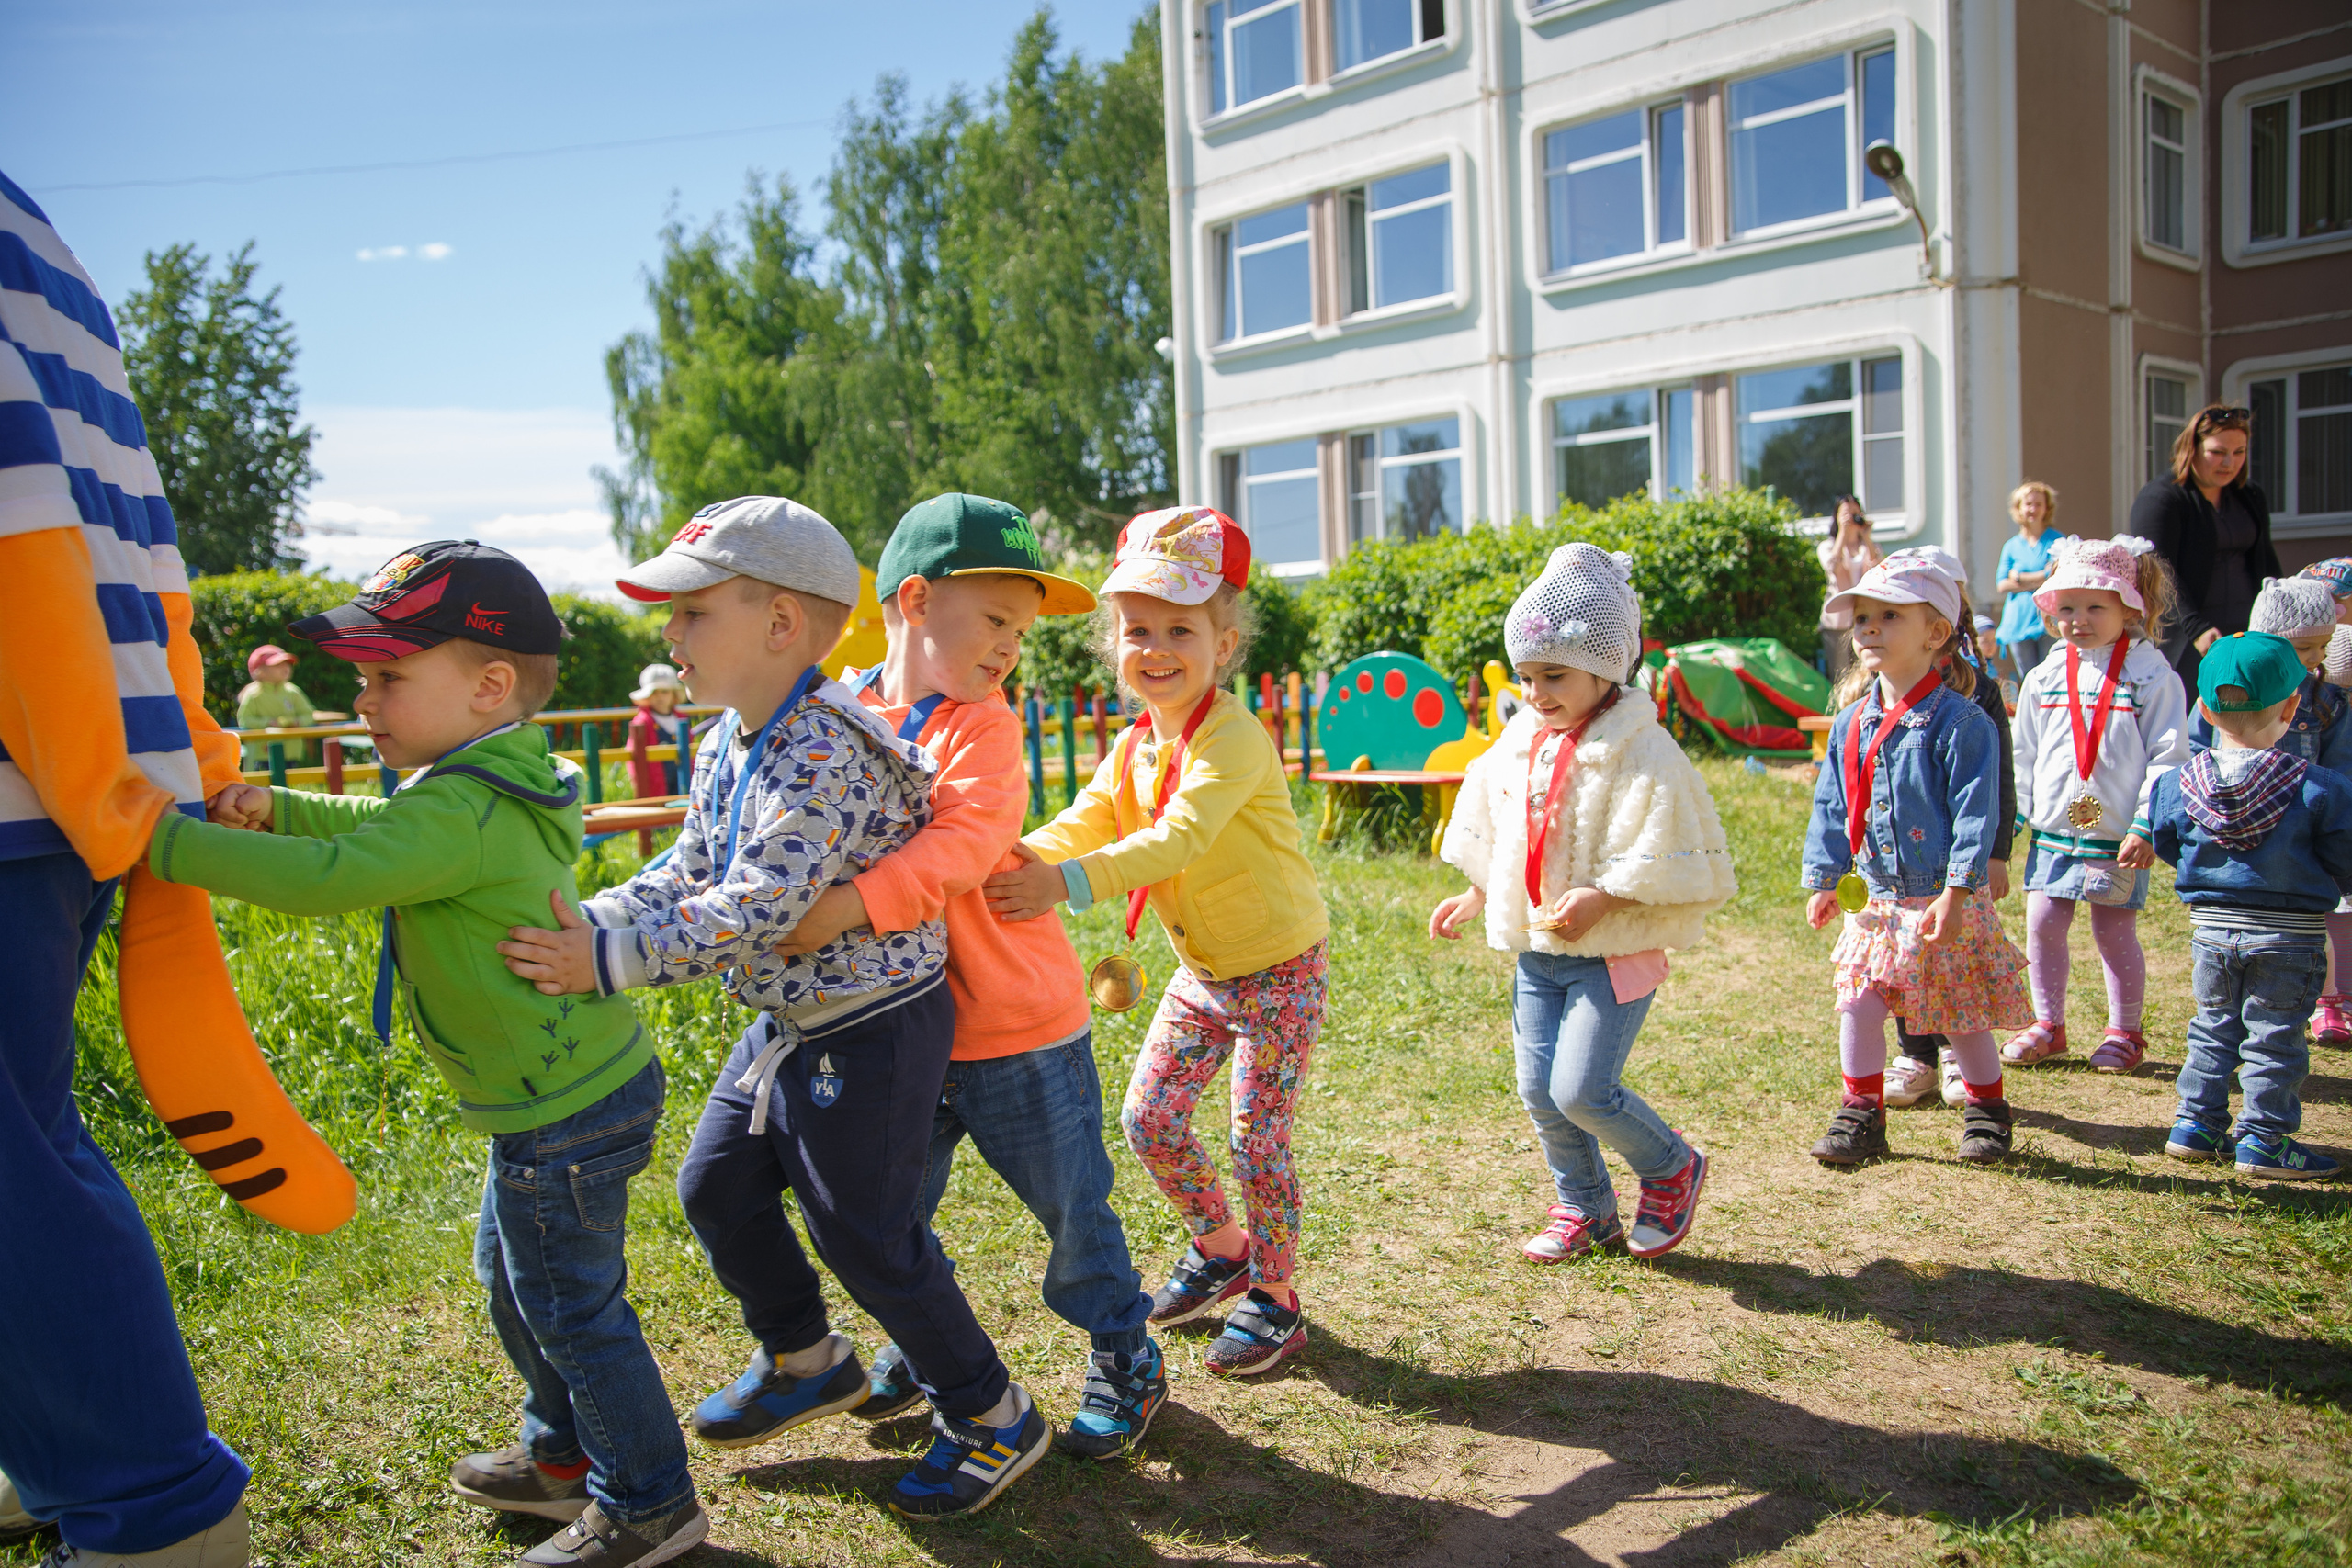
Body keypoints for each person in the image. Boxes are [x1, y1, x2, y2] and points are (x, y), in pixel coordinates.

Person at [496, 496, 1049, 1522]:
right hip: (793, 1024)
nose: (670, 634)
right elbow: (691, 867)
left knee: (868, 1235)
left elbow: (756, 907)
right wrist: (589, 916)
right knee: (714, 1191)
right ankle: (807, 1359)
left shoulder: (824, 750)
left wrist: (605, 960)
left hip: (872, 1025)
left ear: (781, 624)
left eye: (692, 612)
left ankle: (990, 1411)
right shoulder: (731, 739)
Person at [153, 542, 702, 1568]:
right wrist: (284, 804)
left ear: (490, 683)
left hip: (562, 1109)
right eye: (363, 676)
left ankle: (649, 1502)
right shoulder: (475, 781)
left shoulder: (468, 802)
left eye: (387, 676)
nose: (363, 698)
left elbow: (338, 874)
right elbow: (382, 829)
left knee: (572, 1312)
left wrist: (163, 843)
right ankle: (560, 1460)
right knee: (517, 1283)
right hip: (557, 1097)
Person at [765, 492, 1168, 1459]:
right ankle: (922, 1347)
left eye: (1021, 632)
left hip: (1015, 1027)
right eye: (994, 620)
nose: (1009, 649)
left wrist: (841, 908)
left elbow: (955, 851)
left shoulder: (981, 728)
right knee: (891, 1213)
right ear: (912, 600)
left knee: (1070, 1210)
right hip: (894, 1029)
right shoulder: (833, 711)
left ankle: (1124, 1351)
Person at [0, 166, 256, 1568]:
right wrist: (180, 750)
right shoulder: (42, 237)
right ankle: (62, 1441)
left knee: (13, 1155)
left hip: (39, 760)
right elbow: (134, 542)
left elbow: (24, 523)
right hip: (71, 755)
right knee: (26, 1131)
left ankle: (144, 1497)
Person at [983, 506, 1329, 1379]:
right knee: (1148, 1117)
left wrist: (1062, 883)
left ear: (1226, 641)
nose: (1157, 647)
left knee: (1258, 1139)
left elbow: (1178, 837)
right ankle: (1223, 1247)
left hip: (1279, 969)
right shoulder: (1138, 740)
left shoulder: (1233, 737)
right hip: (1204, 969)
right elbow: (1092, 815)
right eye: (1138, 629)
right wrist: (1018, 854)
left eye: (1181, 628)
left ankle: (1277, 1296)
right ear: (1114, 643)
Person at [1427, 544, 1735, 1263]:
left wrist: (1605, 894)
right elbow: (1499, 813)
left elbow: (1662, 830)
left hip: (1612, 951)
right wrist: (1477, 888)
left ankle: (1671, 1166)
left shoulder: (1640, 745)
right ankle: (1585, 1207)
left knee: (1582, 1088)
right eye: (1528, 676)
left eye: (1555, 676)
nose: (1536, 693)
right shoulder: (1523, 738)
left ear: (1607, 668)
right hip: (1540, 949)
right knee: (1539, 1087)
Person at [1801, 551, 2028, 1166]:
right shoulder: (1850, 722)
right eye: (1863, 617)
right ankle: (1861, 1114)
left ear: (1934, 633)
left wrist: (1958, 892)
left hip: (1940, 897)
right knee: (1859, 1003)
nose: (1869, 627)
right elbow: (1831, 802)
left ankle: (1987, 1111)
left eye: (1888, 615)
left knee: (1961, 1012)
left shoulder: (1963, 724)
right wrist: (1825, 878)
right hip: (1876, 899)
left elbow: (1978, 818)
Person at [2143, 632, 2352, 1179]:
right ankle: (2262, 1138)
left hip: (2211, 930)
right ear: (2292, 705)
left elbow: (2169, 842)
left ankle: (2196, 1122)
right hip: (2290, 936)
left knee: (2213, 1025)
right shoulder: (2320, 788)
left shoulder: (2175, 783)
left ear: (2206, 708)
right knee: (2275, 1036)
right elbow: (2344, 854)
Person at [2000, 536, 2187, 1077]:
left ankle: (2124, 1032)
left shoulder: (2152, 676)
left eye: (2094, 607)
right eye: (2067, 608)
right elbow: (2024, 751)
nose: (2078, 619)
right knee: (2041, 923)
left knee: (2113, 931)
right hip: (2054, 831)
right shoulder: (2043, 676)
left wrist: (2148, 823)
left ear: (2130, 607)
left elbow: (2169, 754)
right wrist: (2016, 814)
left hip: (2118, 835)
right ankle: (2048, 1023)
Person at [1875, 552, 2018, 1111]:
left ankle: (1963, 1058)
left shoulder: (1974, 693)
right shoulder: (1874, 691)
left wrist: (1998, 852)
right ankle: (1916, 1057)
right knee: (1900, 964)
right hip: (1892, 871)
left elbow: (1993, 779)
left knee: (1954, 965)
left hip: (1951, 866)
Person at [2187, 578, 2352, 1048]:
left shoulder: (2327, 700)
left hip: (2301, 818)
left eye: (2323, 645)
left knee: (2310, 917)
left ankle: (2329, 1001)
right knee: (2244, 918)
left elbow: (2341, 766)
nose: (2316, 658)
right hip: (2237, 814)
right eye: (2304, 647)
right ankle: (2235, 1007)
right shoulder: (2227, 685)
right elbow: (2199, 749)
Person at [2130, 404, 2278, 694]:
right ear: (2192, 448)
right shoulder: (2161, 498)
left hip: (2245, 630)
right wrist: (2196, 627)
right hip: (2186, 637)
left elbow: (2266, 559)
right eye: (2218, 452)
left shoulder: (2250, 495)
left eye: (2239, 452)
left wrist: (2279, 611)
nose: (2229, 462)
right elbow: (2158, 570)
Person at [1994, 481, 2060, 682]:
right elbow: (2002, 584)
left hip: (2048, 616)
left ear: (2047, 508)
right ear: (2018, 508)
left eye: (2039, 504)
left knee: (2051, 674)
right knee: (2029, 678)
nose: (2033, 509)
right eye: (2028, 504)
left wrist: (2020, 578)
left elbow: (2057, 575)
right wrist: (2041, 576)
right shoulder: (2012, 546)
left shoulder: (2056, 541)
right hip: (2019, 619)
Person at [1815, 496, 1883, 682]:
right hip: (1836, 623)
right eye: (1846, 514)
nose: (1851, 518)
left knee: (1867, 673)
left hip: (1864, 617)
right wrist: (1843, 535)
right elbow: (1832, 567)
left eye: (1855, 514)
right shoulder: (1828, 546)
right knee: (1841, 675)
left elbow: (1878, 572)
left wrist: (1867, 538)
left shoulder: (1869, 547)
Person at [234, 644, 315, 769]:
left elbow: (308, 714)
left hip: (290, 753)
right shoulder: (253, 694)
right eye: (277, 665)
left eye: (287, 664)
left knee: (289, 785)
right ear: (260, 671)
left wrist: (297, 722)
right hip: (262, 754)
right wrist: (268, 723)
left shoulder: (293, 692)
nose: (285, 668)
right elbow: (245, 720)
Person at [625, 663, 684, 798]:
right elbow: (633, 757)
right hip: (655, 784)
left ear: (673, 694)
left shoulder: (681, 720)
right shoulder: (642, 722)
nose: (660, 697)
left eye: (665, 691)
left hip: (682, 781)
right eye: (654, 692)